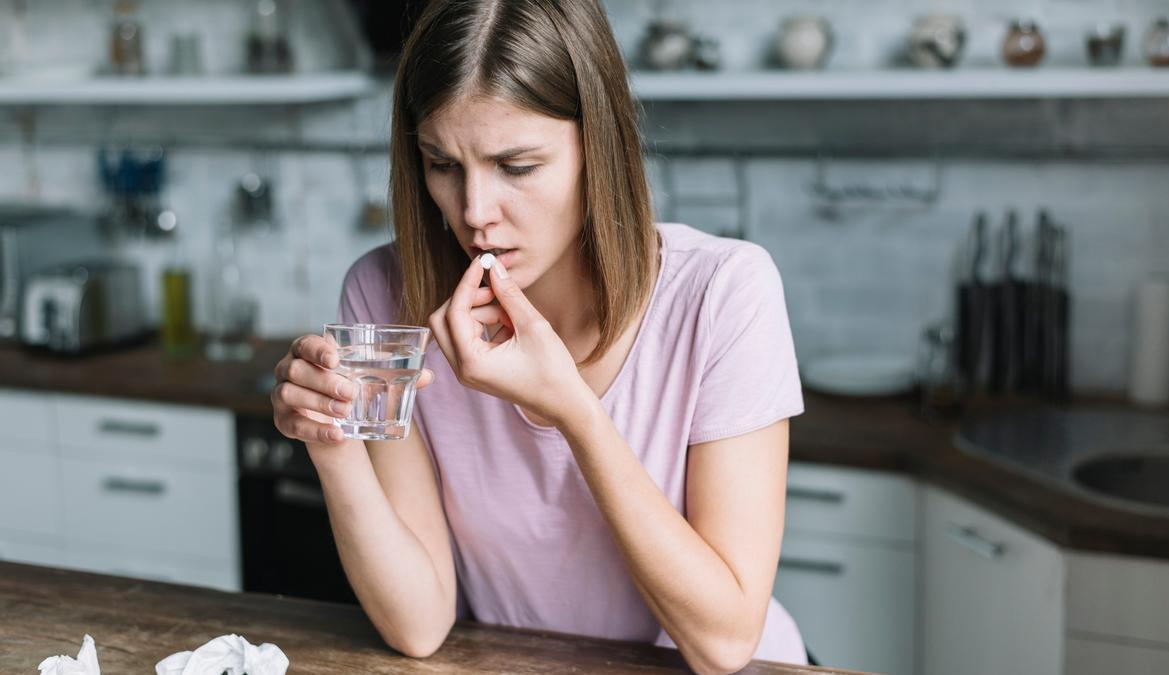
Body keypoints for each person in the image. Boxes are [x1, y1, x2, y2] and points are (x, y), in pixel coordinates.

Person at [270, 0, 807, 671]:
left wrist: (574, 411)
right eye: (442, 163)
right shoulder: (385, 296)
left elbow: (723, 642)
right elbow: (419, 623)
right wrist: (333, 443)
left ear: (598, 146)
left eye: (517, 166)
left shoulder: (725, 293)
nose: (474, 213)